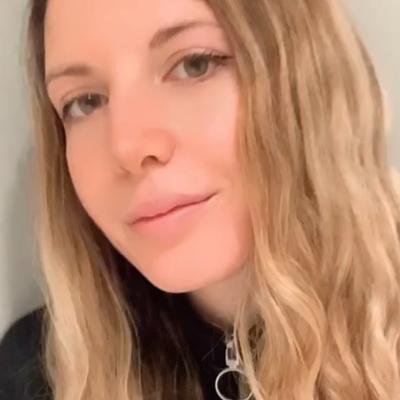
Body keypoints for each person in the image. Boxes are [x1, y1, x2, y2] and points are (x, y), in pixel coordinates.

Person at [1, 0, 400, 399]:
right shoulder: (39, 375)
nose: (127, 146)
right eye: (85, 101)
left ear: (307, 74)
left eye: (195, 64)